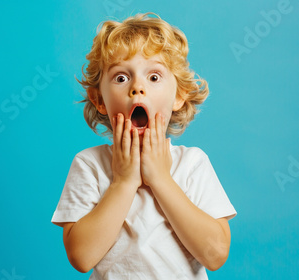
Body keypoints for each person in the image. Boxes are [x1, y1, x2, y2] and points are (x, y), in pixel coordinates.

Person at [51, 12, 237, 279]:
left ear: (179, 96)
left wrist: (161, 179)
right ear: (99, 100)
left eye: (153, 77)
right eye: (121, 78)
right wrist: (123, 182)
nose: (137, 87)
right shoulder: (90, 164)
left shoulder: (193, 164)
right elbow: (81, 257)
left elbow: (215, 254)